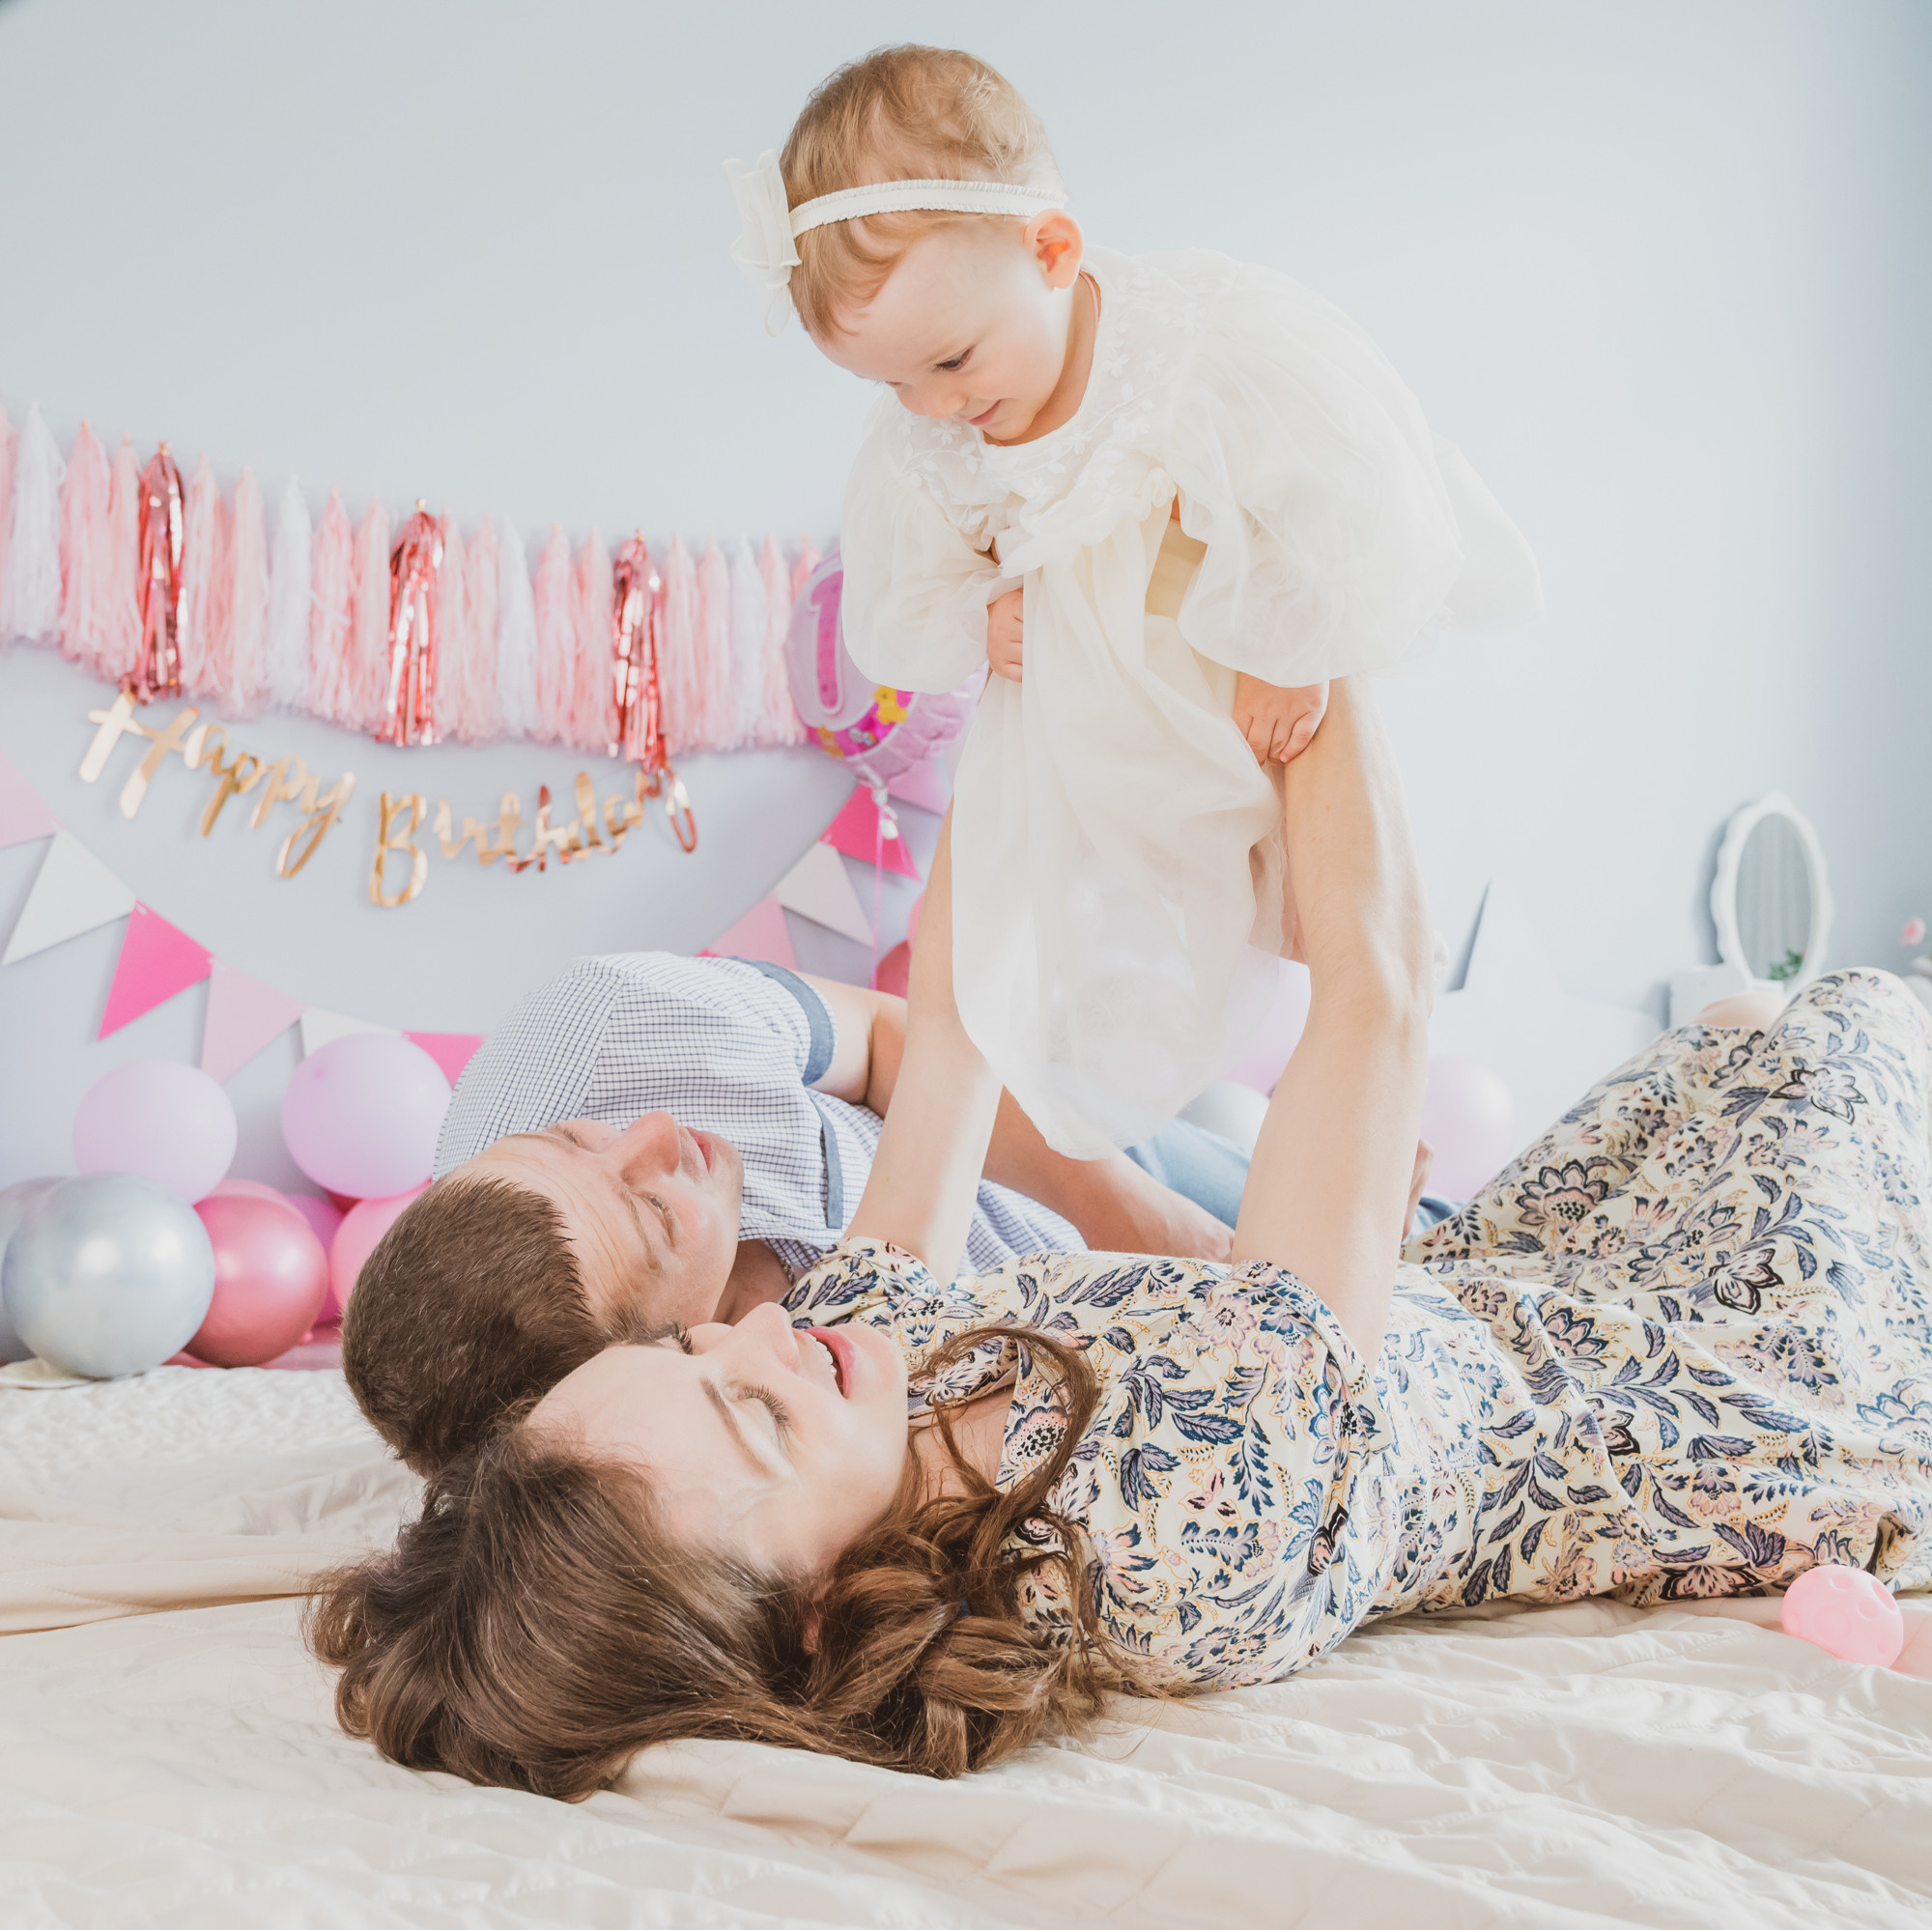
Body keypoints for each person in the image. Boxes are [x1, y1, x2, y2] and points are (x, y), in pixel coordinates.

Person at [309, 679, 1932, 1798]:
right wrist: (1321, 671)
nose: (755, 1330)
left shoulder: (855, 1396)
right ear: (809, 1615)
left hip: (1497, 1287)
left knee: (1741, 1052)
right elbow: (1377, 984)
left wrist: (1015, 690)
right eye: (743, 1400)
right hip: (1692, 1391)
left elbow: (947, 1036)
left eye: (689, 1343)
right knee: (1848, 1031)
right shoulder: (1170, 1517)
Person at [722, 46, 1544, 1160]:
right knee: (1061, 954)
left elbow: (1348, 481)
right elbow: (906, 577)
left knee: (1329, 919)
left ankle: (1372, 1143)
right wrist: (979, 618)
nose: (934, 403)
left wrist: (1292, 636)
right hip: (1086, 720)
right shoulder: (929, 438)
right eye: (892, 381)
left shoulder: (1187, 350)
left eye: (952, 360)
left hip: (1230, 664)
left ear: (1050, 250)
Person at [347, 949, 1257, 1475]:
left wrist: (1149, 1221)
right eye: (656, 1216)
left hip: (1055, 1153)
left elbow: (903, 1036)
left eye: (572, 1141)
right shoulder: (766, 1439)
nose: (658, 1135)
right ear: (667, 1361)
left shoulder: (611, 1027)